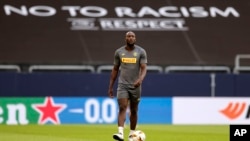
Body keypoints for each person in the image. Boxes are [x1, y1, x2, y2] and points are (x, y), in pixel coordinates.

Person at [108, 31, 147, 141]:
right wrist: (110, 86)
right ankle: (120, 133)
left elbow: (144, 68)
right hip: (122, 85)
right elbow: (115, 69)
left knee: (134, 110)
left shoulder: (141, 51)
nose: (130, 38)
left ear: (135, 38)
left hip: (135, 86)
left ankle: (132, 135)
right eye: (128, 36)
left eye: (132, 36)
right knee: (122, 107)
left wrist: (140, 79)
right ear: (125, 38)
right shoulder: (119, 52)